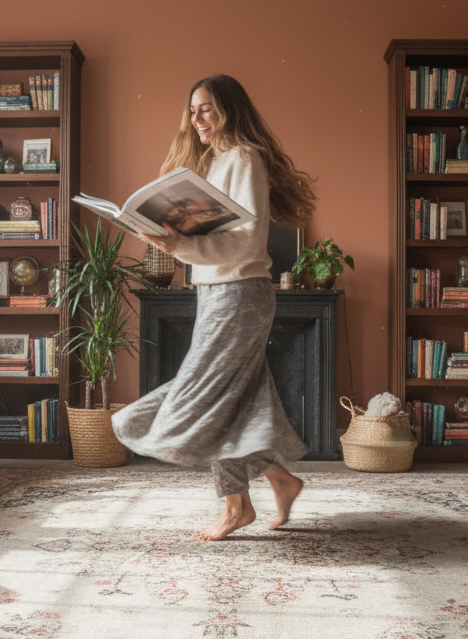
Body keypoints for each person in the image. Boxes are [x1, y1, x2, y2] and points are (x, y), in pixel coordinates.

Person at [112, 74, 316, 541]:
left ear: (229, 109)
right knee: (239, 401)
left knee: (206, 396)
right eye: (192, 110)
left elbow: (246, 243)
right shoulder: (217, 161)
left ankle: (235, 504)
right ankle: (277, 483)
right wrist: (174, 240)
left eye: (206, 108)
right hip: (218, 293)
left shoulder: (243, 158)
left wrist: (179, 244)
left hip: (238, 293)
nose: (196, 118)